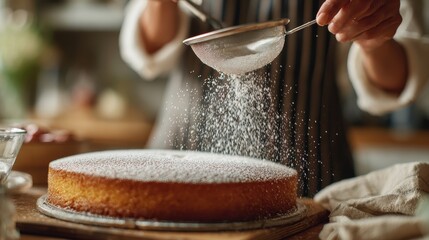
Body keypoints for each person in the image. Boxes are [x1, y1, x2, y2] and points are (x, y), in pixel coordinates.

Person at [119, 0, 429, 197]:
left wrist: (373, 41)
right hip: (177, 179)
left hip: (308, 189)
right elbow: (149, 52)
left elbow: (400, 77)